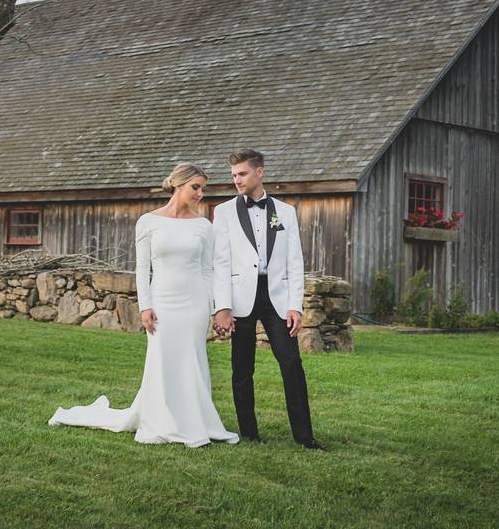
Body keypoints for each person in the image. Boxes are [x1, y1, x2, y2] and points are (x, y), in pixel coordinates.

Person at [48, 163, 239, 448]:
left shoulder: (203, 226)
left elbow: (208, 270)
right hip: (163, 301)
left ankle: (195, 421)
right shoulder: (148, 221)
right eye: (195, 187)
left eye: (203, 188)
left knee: (192, 360)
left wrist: (213, 307)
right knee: (161, 359)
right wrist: (144, 306)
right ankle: (161, 421)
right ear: (178, 185)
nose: (200, 193)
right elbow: (142, 268)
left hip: (195, 302)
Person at [212, 149, 322, 449]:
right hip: (240, 299)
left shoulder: (284, 212)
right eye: (234, 175)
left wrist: (294, 306)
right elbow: (220, 263)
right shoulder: (222, 212)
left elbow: (294, 261)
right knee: (242, 368)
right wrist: (222, 307)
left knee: (291, 364)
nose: (237, 180)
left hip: (277, 298)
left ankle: (305, 437)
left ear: (259, 172)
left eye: (242, 174)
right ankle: (249, 433)